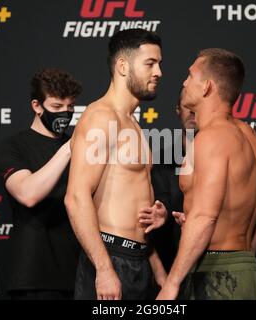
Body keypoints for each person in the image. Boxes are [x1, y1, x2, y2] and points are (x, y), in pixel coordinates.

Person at [157, 48, 256, 300]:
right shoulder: (252, 138)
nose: (184, 82)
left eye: (190, 76)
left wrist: (171, 284)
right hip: (245, 269)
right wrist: (241, 261)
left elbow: (205, 216)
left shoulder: (211, 138)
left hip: (218, 275)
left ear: (207, 87)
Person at [65, 29, 167, 300]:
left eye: (159, 64)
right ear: (122, 66)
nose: (159, 72)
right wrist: (104, 269)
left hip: (138, 261)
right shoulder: (101, 117)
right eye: (150, 63)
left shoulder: (132, 123)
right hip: (111, 260)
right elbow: (76, 197)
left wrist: (156, 269)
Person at [0, 68, 82, 299]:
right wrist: (68, 149)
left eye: (70, 107)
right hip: (36, 276)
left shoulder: (82, 147)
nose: (64, 114)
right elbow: (28, 194)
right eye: (56, 107)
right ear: (37, 105)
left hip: (82, 274)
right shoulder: (14, 146)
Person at [151, 92, 197, 272]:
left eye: (197, 106)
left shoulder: (224, 158)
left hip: (211, 261)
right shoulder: (160, 159)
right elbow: (160, 202)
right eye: (187, 106)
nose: (192, 112)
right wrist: (163, 211)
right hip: (169, 261)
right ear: (178, 110)